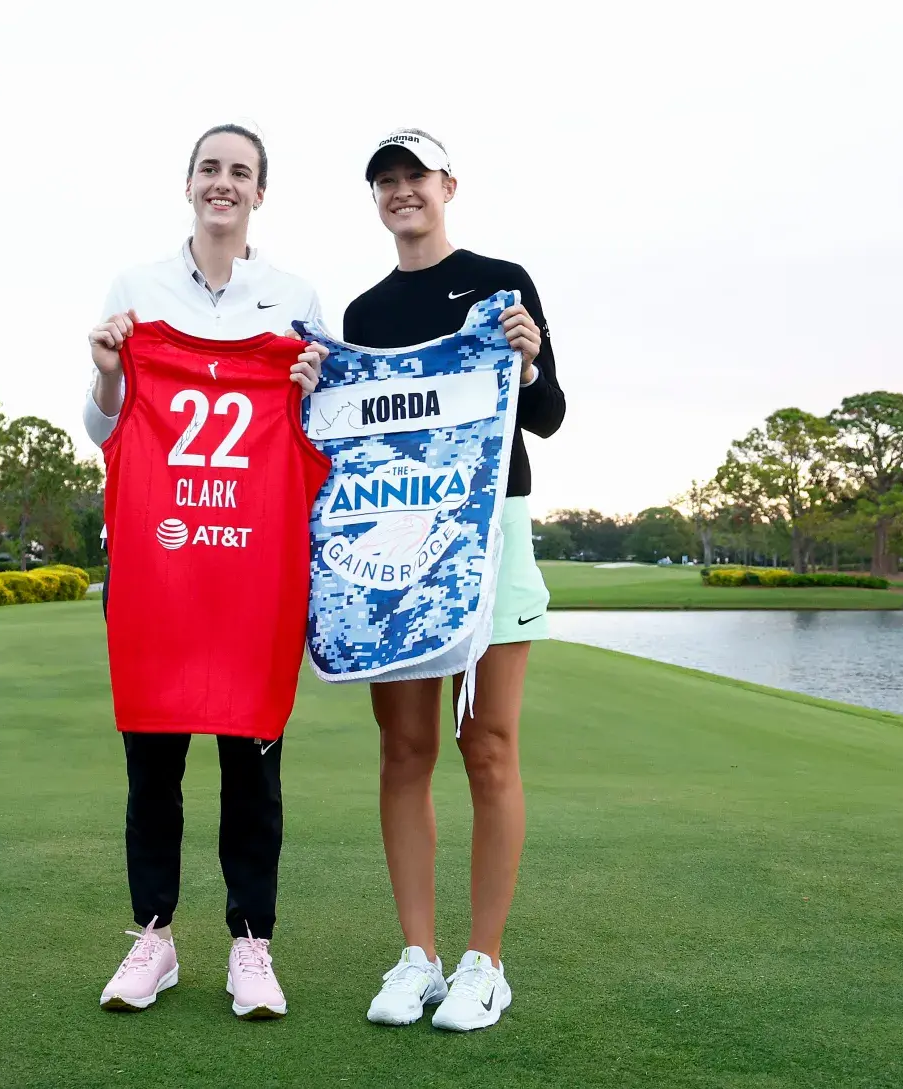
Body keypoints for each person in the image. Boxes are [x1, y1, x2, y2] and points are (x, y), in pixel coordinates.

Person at [84, 123, 327, 1020]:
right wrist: (110, 372)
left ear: (260, 193)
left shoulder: (295, 301)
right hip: (159, 569)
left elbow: (320, 441)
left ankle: (251, 943)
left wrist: (310, 391)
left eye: (241, 172)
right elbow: (106, 429)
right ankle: (153, 936)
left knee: (251, 769)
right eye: (210, 168)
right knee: (152, 762)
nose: (223, 182)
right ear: (188, 183)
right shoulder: (136, 291)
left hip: (253, 573)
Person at [343, 129, 566, 1032]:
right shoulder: (363, 312)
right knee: (404, 749)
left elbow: (547, 415)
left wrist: (530, 358)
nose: (402, 191)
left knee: (490, 745)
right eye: (387, 181)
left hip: (491, 531)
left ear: (448, 186)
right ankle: (417, 957)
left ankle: (485, 962)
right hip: (396, 536)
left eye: (416, 177)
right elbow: (353, 434)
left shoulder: (502, 284)